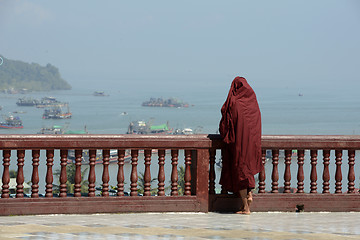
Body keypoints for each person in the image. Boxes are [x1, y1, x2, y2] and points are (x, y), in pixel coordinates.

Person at [219, 76, 263, 214]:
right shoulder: (253, 102)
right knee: (248, 171)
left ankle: (246, 207)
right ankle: (249, 195)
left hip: (239, 144)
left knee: (241, 172)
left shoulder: (234, 102)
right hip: (253, 145)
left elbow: (226, 121)